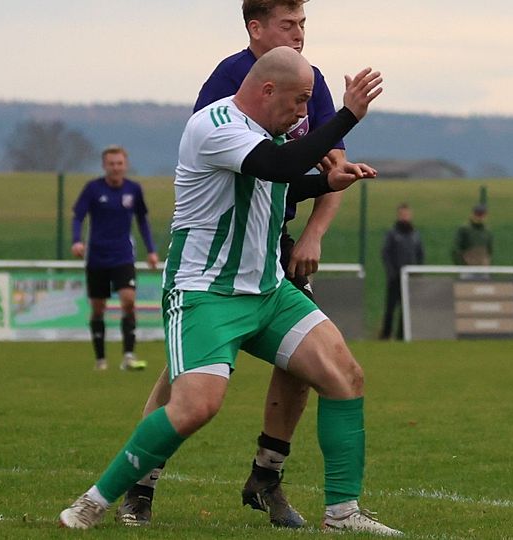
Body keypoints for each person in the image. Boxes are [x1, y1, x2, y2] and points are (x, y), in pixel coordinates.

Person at [59, 47, 401, 536]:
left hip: (268, 290)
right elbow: (277, 166)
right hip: (206, 293)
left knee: (345, 376)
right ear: (268, 90)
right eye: (299, 100)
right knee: (196, 406)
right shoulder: (215, 125)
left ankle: (342, 515)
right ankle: (95, 501)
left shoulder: (267, 133)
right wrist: (346, 116)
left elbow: (277, 184)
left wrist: (326, 181)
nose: (304, 112)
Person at [116, 0, 353, 528]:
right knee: (185, 373)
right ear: (256, 27)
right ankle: (140, 485)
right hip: (221, 248)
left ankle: (267, 477)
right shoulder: (229, 80)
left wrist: (312, 234)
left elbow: (333, 166)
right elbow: (232, 157)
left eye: (303, 23)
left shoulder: (311, 81)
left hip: (276, 243)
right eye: (288, 24)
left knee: (307, 360)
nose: (299, 33)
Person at [71, 146, 159, 371]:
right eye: (111, 163)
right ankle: (100, 359)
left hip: (123, 256)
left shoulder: (133, 189)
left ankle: (128, 355)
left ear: (125, 165)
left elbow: (142, 221)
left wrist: (151, 250)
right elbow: (78, 216)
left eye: (119, 163)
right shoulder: (93, 188)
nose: (115, 167)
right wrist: (76, 240)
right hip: (97, 257)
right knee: (98, 308)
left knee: (128, 301)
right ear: (104, 165)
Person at [379, 203, 424, 340]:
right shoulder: (392, 233)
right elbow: (385, 253)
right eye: (402, 214)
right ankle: (386, 335)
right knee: (391, 307)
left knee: (406, 308)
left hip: (409, 278)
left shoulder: (415, 234)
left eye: (407, 214)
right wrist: (391, 271)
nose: (405, 217)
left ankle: (402, 335)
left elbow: (420, 254)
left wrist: (418, 271)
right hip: (395, 277)